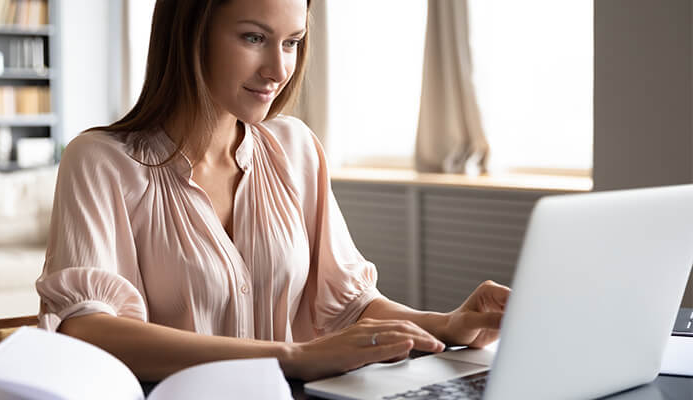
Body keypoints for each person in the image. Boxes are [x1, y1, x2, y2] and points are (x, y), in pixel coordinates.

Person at [36, 0, 510, 382]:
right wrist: (292, 356)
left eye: (293, 42)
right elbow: (88, 330)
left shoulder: (296, 148)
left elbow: (349, 304)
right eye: (254, 38)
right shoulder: (100, 161)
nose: (278, 69)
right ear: (189, 32)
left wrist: (448, 325)